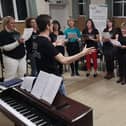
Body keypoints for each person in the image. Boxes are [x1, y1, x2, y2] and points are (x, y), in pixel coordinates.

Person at [35, 14, 95, 95]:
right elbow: (64, 60)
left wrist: (55, 44)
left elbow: (42, 51)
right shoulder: (45, 42)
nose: (53, 25)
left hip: (42, 77)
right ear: (47, 26)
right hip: (53, 79)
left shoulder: (35, 40)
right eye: (52, 23)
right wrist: (83, 53)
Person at [0, 16, 26, 80]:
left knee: (21, 75)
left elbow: (20, 44)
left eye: (14, 23)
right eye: (12, 23)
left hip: (21, 57)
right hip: (10, 58)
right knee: (10, 78)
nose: (14, 24)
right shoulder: (2, 34)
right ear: (6, 24)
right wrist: (18, 42)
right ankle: (9, 90)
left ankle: (19, 89)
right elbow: (5, 48)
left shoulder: (16, 32)